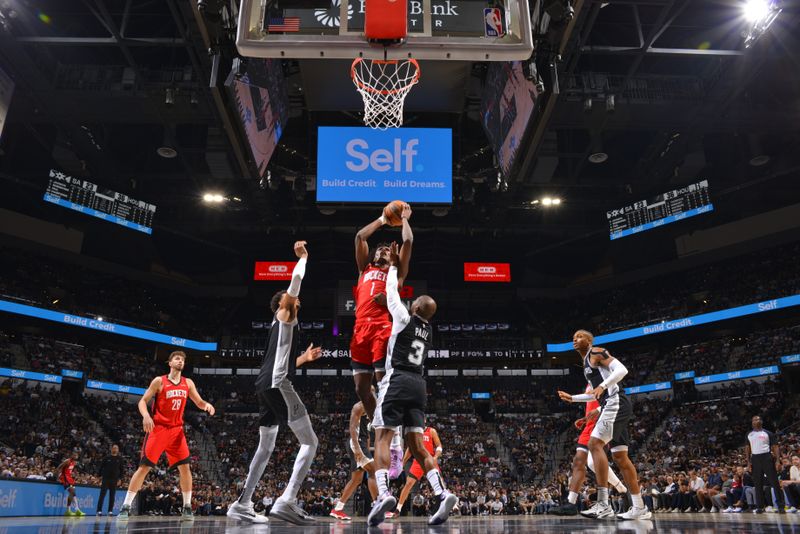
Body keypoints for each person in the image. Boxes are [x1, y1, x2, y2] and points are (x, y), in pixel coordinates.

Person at [226, 241, 323, 525]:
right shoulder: (286, 313)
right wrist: (303, 257)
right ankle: (288, 500)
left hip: (264, 384)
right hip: (278, 384)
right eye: (291, 299)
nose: (297, 301)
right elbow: (295, 280)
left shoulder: (277, 327)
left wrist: (303, 359)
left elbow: (280, 360)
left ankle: (242, 504)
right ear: (282, 304)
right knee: (310, 442)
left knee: (265, 447)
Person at [366, 242, 457, 527]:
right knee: (418, 446)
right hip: (419, 384)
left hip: (398, 379)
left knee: (382, 436)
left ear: (415, 306)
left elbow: (391, 291)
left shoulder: (404, 317)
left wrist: (393, 264)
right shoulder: (428, 330)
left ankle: (382, 494)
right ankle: (442, 494)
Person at [557, 329, 650, 520]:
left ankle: (603, 503)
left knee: (594, 444)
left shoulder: (596, 352)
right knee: (621, 459)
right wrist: (573, 399)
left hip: (615, 402)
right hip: (613, 405)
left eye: (580, 336)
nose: (575, 339)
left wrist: (603, 386)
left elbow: (622, 370)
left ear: (589, 340)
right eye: (573, 337)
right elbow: (594, 395)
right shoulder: (585, 364)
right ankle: (639, 507)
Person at [352, 205, 413, 478]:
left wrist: (404, 221)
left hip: (382, 330)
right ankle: (378, 422)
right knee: (361, 389)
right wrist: (381, 219)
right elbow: (359, 238)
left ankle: (393, 436)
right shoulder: (364, 270)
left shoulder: (396, 275)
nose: (381, 251)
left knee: (382, 381)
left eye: (387, 250)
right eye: (380, 250)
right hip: (359, 331)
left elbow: (408, 241)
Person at [117, 351, 215, 521]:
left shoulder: (188, 383)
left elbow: (198, 402)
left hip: (177, 431)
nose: (181, 361)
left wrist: (206, 405)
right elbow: (142, 401)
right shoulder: (159, 381)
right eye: (177, 358)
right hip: (159, 429)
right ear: (169, 362)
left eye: (183, 360)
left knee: (185, 468)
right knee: (144, 467)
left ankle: (186, 507)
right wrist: (146, 416)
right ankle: (126, 506)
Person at [549, 383, 627, 516]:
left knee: (591, 463)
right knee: (578, 461)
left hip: (602, 423)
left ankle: (621, 490)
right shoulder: (589, 381)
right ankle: (571, 503)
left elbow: (614, 398)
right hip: (589, 425)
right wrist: (586, 418)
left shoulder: (605, 376)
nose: (585, 361)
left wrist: (597, 410)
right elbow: (591, 399)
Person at [329, 397, 379, 520]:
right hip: (356, 442)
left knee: (356, 480)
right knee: (373, 471)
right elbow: (352, 427)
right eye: (371, 392)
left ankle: (338, 509)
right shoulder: (359, 406)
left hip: (362, 443)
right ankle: (378, 506)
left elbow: (367, 434)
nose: (374, 395)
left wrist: (367, 451)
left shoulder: (371, 409)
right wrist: (357, 449)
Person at [388, 424, 443, 519]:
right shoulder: (414, 433)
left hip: (429, 460)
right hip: (418, 461)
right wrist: (403, 462)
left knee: (439, 484)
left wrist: (436, 457)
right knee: (408, 484)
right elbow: (410, 449)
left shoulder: (431, 431)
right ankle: (398, 510)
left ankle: (452, 507)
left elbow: (439, 446)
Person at [746, 415, 785, 514]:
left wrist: (777, 461)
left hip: (767, 457)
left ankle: (781, 506)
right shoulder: (749, 434)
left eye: (758, 419)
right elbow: (747, 448)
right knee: (757, 484)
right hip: (755, 458)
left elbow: (775, 447)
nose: (757, 420)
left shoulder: (768, 433)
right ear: (752, 423)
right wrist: (748, 462)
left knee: (774, 482)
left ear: (761, 422)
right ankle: (760, 507)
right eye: (755, 419)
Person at [97, 444, 124, 516]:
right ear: (111, 449)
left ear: (118, 450)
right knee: (102, 495)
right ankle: (99, 511)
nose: (115, 449)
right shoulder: (106, 458)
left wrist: (120, 479)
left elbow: (122, 470)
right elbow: (101, 467)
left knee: (112, 496)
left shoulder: (120, 459)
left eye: (116, 448)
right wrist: (99, 476)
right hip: (105, 479)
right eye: (114, 448)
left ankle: (110, 511)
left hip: (114, 480)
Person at [58, 451, 85, 517]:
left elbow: (69, 471)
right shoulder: (67, 461)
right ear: (71, 455)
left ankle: (70, 510)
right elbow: (59, 467)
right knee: (72, 491)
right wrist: (57, 477)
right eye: (74, 455)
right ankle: (75, 509)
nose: (75, 456)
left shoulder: (74, 463)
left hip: (69, 478)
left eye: (76, 455)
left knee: (73, 493)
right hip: (64, 478)